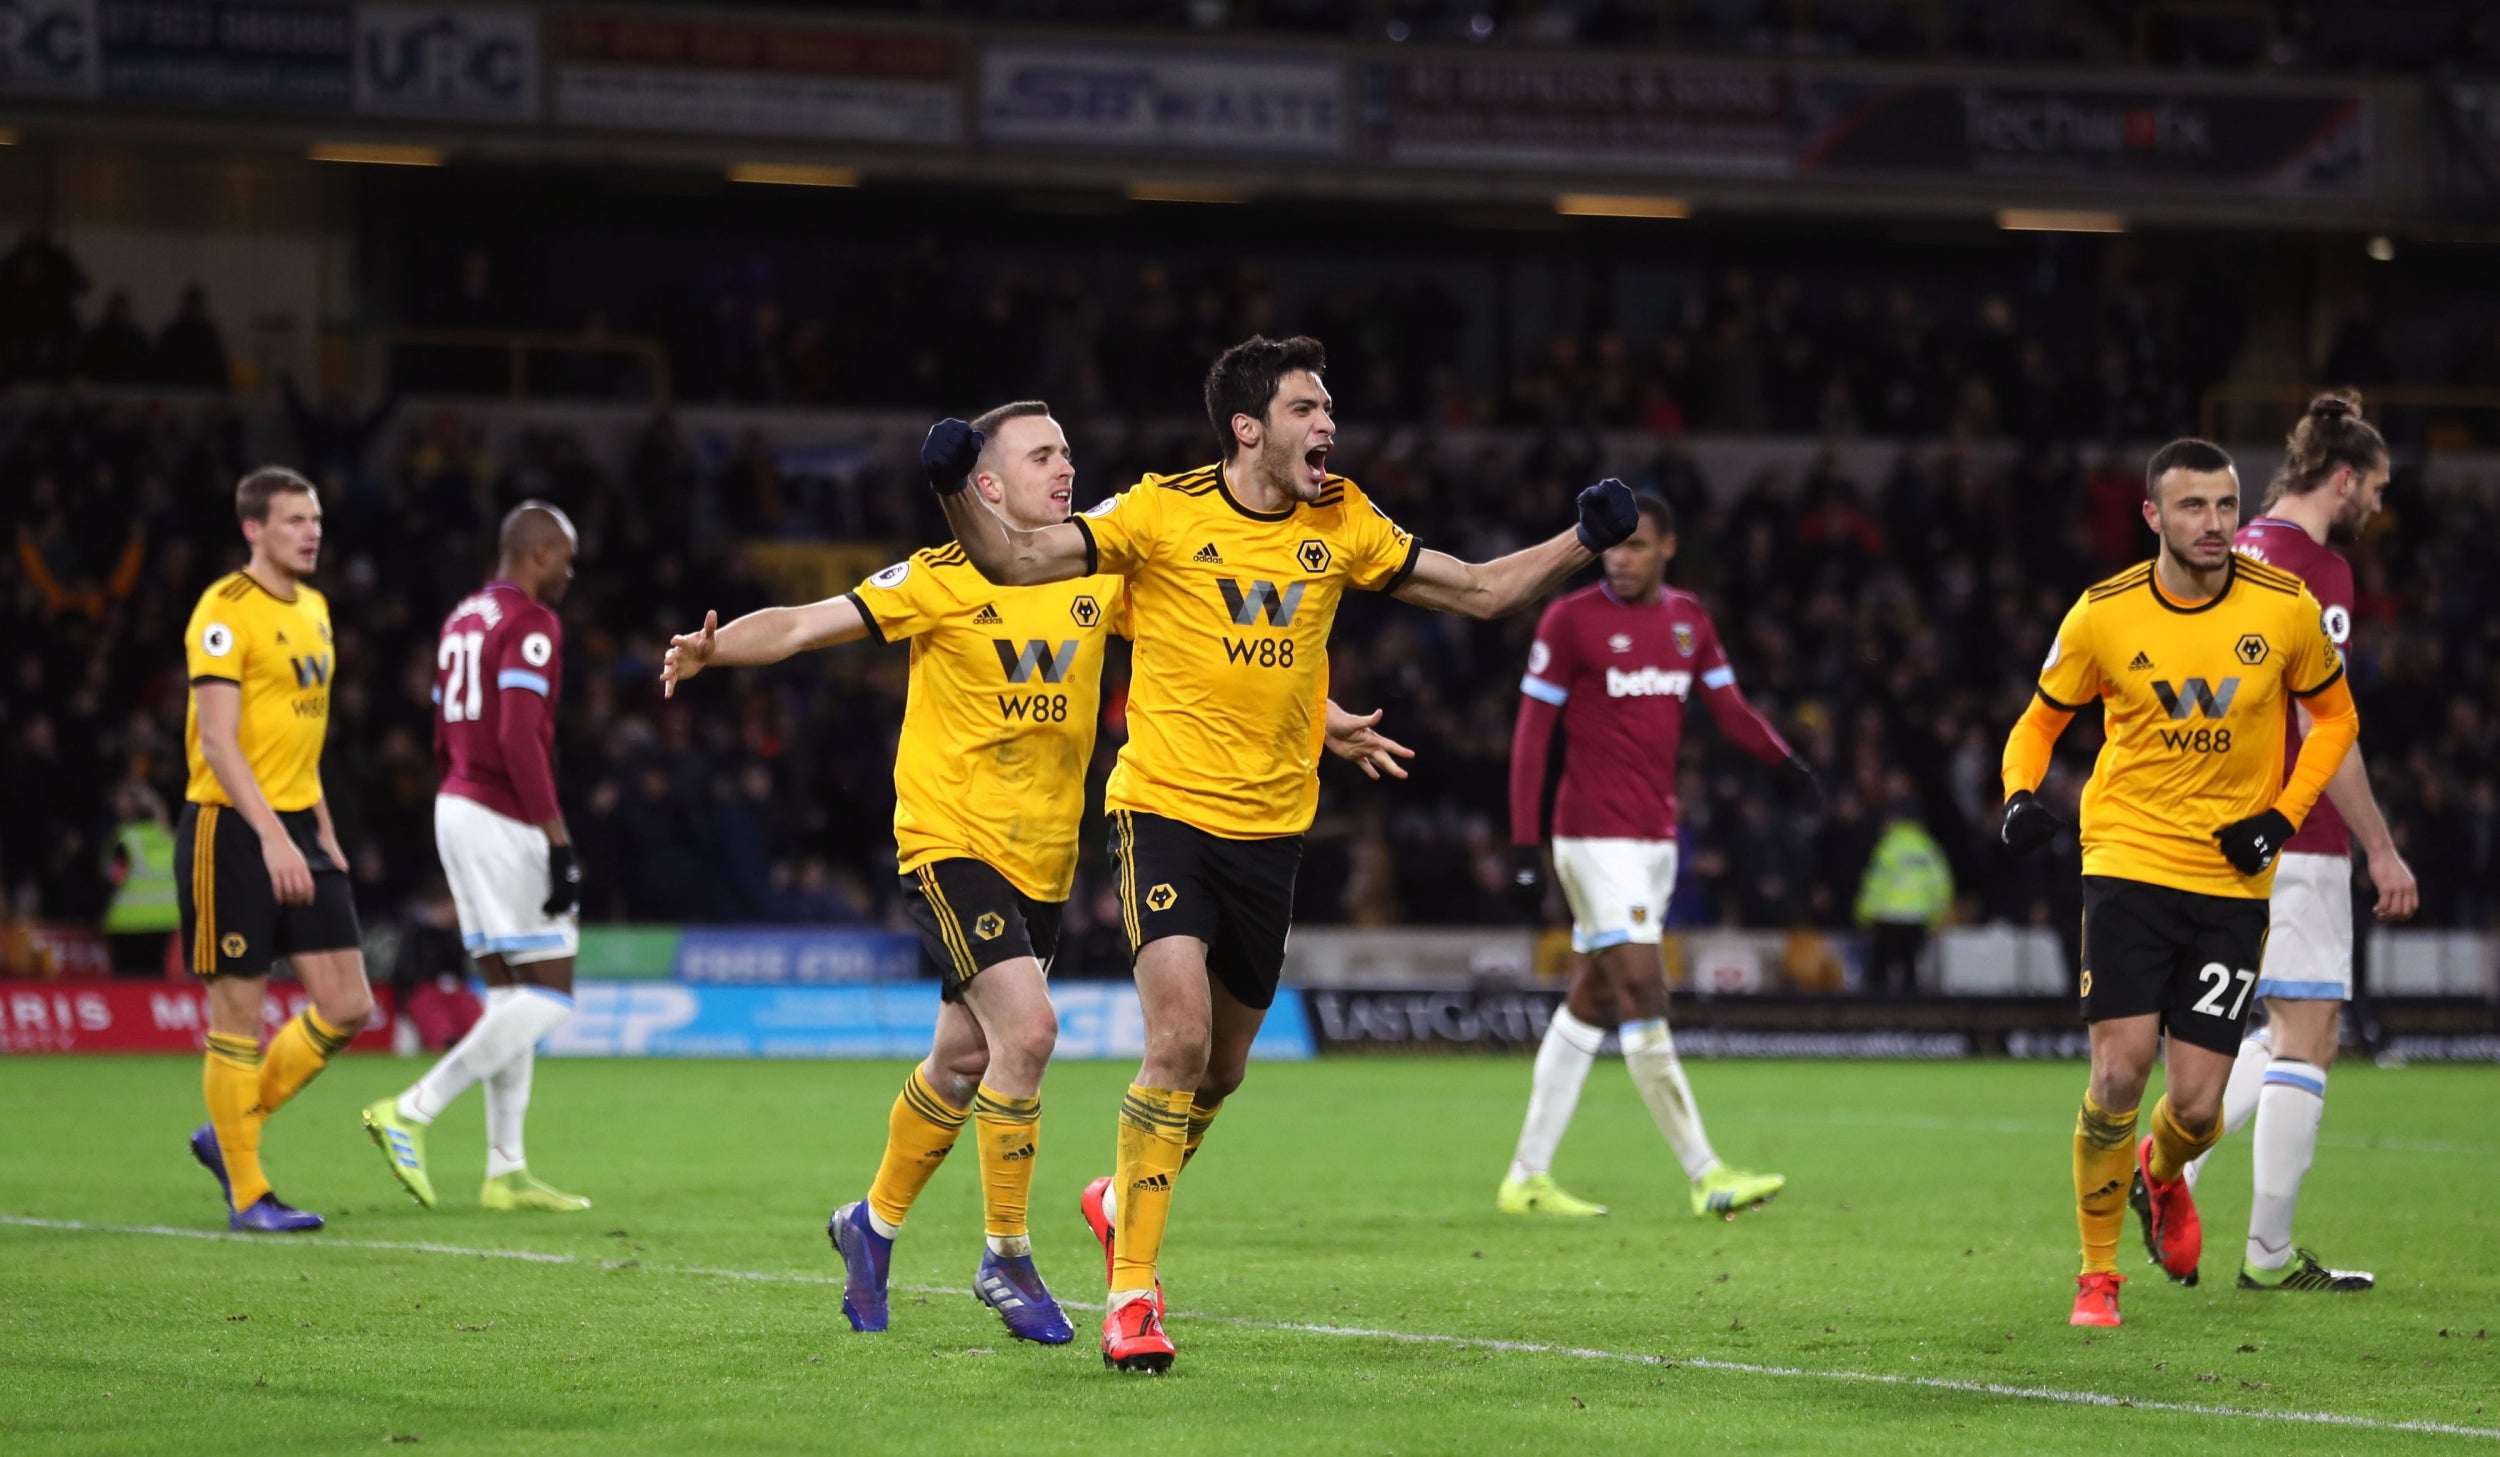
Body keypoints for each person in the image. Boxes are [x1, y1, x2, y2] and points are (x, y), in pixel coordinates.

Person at [926, 334, 1638, 1373]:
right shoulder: (1159, 511)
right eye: (1309, 408)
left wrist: (1581, 538)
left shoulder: (1339, 516)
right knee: (1173, 1041)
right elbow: (1013, 556)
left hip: (1273, 830)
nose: (1329, 427)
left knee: (1220, 1069)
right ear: (1248, 427)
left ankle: (1118, 1197)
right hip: (1162, 811)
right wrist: (955, 486)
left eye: (1330, 408)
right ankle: (1133, 1293)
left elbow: (1481, 590)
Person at [664, 398, 1415, 1347]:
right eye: (1041, 457)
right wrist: (714, 647)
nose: (1066, 469)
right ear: (986, 484)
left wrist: (1325, 716)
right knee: (1030, 1031)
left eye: (1067, 452)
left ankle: (872, 1221)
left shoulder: (1097, 578)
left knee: (963, 1057)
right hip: (948, 841)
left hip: (1044, 860)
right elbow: (811, 624)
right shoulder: (939, 578)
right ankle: (1006, 1255)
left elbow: (1214, 646)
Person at [1999, 438, 2358, 1328]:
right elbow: (2038, 724)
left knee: (2196, 1105)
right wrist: (2017, 796)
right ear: (2153, 516)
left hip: (2232, 877)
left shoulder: (2286, 608)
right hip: (2125, 860)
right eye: (2192, 507)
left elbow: (2336, 716)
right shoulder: (2103, 612)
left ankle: (2160, 1176)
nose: (2214, 524)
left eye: (2226, 506)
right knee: (2118, 1073)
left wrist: (2282, 815)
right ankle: (2097, 1276)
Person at [1497, 491, 1806, 1220]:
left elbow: (1729, 709)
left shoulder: (1688, 619)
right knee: (1644, 986)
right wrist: (1521, 845)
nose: (1621, 557)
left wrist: (1786, 762)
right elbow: (1532, 737)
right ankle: (1706, 1173)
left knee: (1595, 998)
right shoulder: (1568, 620)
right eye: (1613, 545)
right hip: (1591, 836)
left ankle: (1526, 1177)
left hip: (1655, 841)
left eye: (1637, 545)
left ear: (1667, 546)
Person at [2178, 393, 2416, 1292]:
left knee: (2271, 1034)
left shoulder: (2227, 552)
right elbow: (2330, 730)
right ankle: (2269, 1256)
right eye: (2379, 488)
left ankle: (2165, 1170)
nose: (2380, 507)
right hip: (2299, 832)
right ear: (2344, 477)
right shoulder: (2319, 572)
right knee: (2311, 1033)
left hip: (2213, 827)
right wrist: (2382, 848)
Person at [362, 503, 591, 1214]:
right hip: (502, 812)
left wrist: (456, 798)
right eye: (568, 558)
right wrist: (555, 837)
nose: (572, 573)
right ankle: (412, 1108)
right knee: (550, 990)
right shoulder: (531, 622)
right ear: (540, 552)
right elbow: (521, 735)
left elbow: (440, 728)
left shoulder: (463, 616)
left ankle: (506, 1168)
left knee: (511, 994)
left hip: (456, 803)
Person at [177, 467, 372, 1232]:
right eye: (294, 519)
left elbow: (299, 734)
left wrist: (319, 829)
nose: (311, 531)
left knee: (350, 1003)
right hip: (231, 827)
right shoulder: (223, 613)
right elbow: (220, 743)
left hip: (297, 824)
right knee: (238, 1015)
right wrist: (270, 837)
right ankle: (250, 1192)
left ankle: (227, 1131)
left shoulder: (318, 608)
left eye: (315, 518)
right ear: (253, 529)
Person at [1854, 777, 1954, 997]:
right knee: (1910, 974)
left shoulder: (1888, 846)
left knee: (1878, 974)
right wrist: (1936, 917)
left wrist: (1863, 914)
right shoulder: (1928, 848)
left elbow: (1875, 885)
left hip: (1887, 918)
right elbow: (1942, 886)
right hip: (1918, 919)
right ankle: (1913, 1025)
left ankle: (1871, 1023)